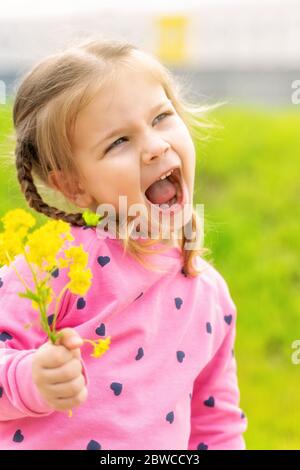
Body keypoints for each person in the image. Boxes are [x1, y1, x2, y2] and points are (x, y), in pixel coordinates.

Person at [0, 37, 247, 450]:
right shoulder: (56, 265)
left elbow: (215, 426)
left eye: (161, 117)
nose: (154, 146)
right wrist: (30, 379)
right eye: (118, 142)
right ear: (72, 185)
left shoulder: (210, 296)